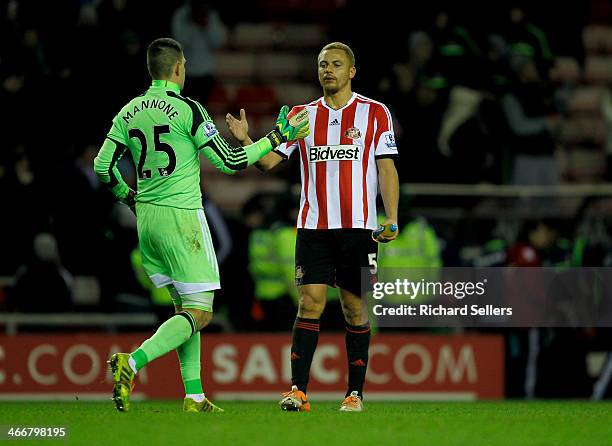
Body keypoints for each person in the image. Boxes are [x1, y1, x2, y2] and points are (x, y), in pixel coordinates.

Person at [93, 37, 309, 413]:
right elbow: (230, 161)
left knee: (185, 310)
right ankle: (132, 362)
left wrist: (129, 198)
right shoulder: (187, 110)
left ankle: (194, 396)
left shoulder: (128, 112)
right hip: (182, 219)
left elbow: (102, 165)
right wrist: (276, 137)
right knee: (201, 313)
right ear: (179, 68)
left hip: (147, 219)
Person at [226, 42, 400, 412]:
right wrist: (246, 140)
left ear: (352, 71)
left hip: (359, 228)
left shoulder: (375, 113)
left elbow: (386, 168)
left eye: (336, 64)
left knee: (354, 309)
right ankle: (298, 390)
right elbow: (270, 162)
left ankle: (355, 393)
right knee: (309, 304)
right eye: (323, 64)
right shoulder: (302, 116)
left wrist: (392, 216)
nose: (328, 70)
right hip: (313, 228)